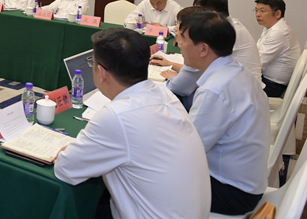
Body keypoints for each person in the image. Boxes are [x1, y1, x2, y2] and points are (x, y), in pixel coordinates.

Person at [54, 27, 210, 219]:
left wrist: (68, 152)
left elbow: (65, 169)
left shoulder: (116, 116)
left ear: (101, 72)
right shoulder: (164, 94)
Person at [179, 12, 269, 215]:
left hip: (231, 192)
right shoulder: (237, 70)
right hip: (246, 181)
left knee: (140, 181)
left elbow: (188, 151)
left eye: (183, 38)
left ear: (203, 49)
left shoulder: (215, 89)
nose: (179, 44)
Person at [255, 0, 301, 98]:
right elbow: (257, 54)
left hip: (272, 86)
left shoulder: (279, 32)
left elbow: (258, 64)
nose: (257, 14)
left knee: (232, 89)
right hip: (268, 80)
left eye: (262, 11)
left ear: (277, 13)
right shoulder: (271, 28)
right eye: (256, 10)